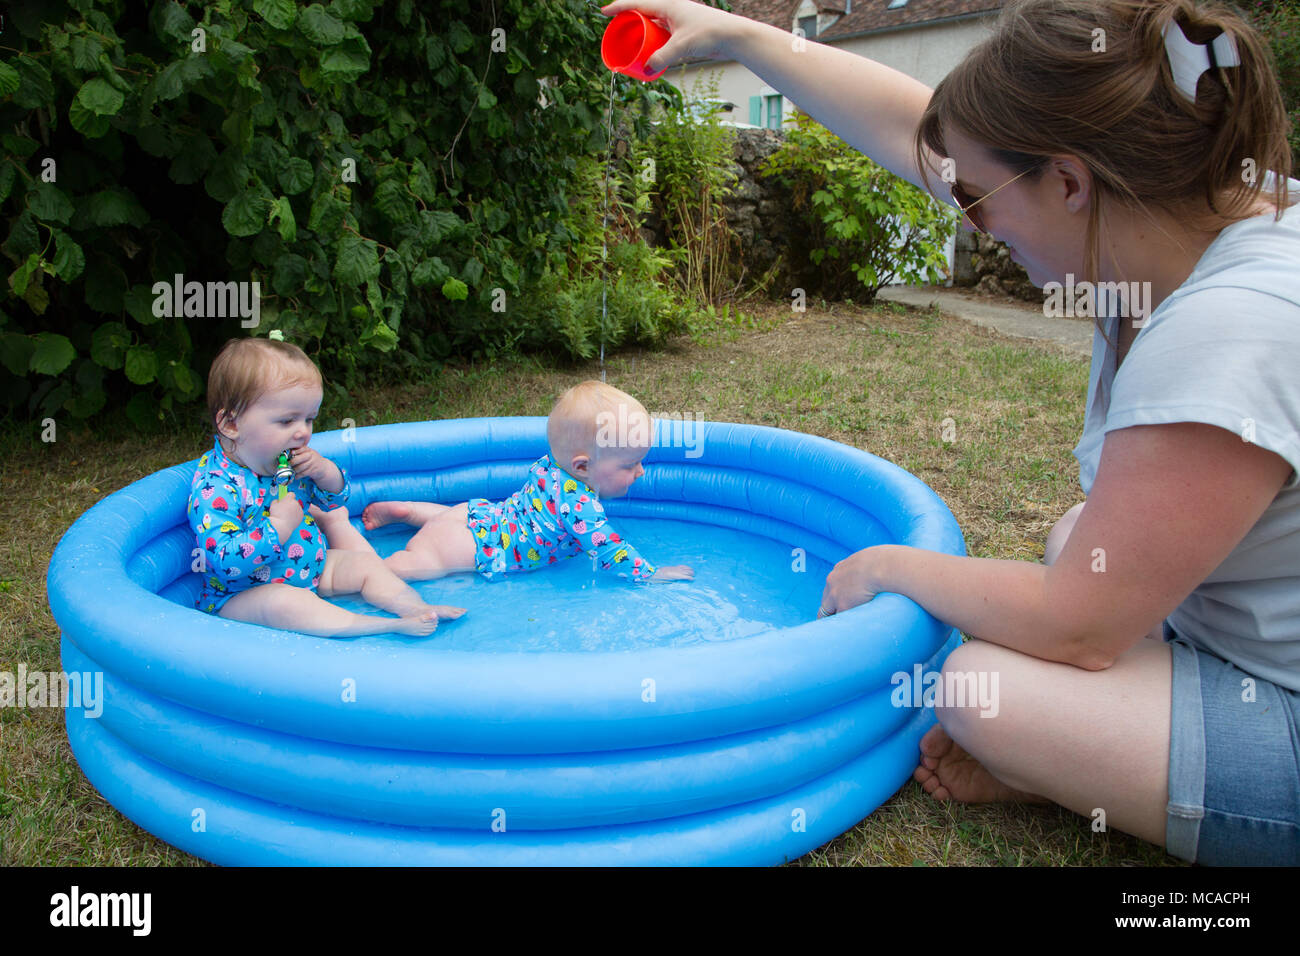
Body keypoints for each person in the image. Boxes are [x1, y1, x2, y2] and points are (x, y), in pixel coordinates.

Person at [600, 0, 1300, 864]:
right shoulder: (1192, 209)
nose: (969, 219)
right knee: (1077, 536)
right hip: (1248, 631)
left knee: (980, 688)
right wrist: (741, 32)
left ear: (1069, 181)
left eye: (976, 198)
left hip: (1283, 711)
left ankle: (1074, 766)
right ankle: (1086, 762)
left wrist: (887, 565)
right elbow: (911, 132)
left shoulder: (1229, 327)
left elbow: (1079, 628)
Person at [189, 337, 466, 637]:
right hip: (245, 594)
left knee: (364, 565)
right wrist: (278, 526)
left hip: (314, 568)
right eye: (286, 421)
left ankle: (414, 607)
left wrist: (326, 473)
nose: (302, 433)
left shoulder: (283, 464)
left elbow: (334, 502)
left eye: (309, 420)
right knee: (285, 603)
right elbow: (226, 562)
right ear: (231, 424)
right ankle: (382, 626)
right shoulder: (215, 487)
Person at [362, 380, 696, 584]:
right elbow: (609, 549)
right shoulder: (580, 507)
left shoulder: (552, 464)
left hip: (475, 515)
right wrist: (651, 573)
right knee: (408, 568)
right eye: (630, 464)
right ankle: (359, 571)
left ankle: (411, 513)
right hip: (468, 548)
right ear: (582, 466)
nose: (641, 472)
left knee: (446, 520)